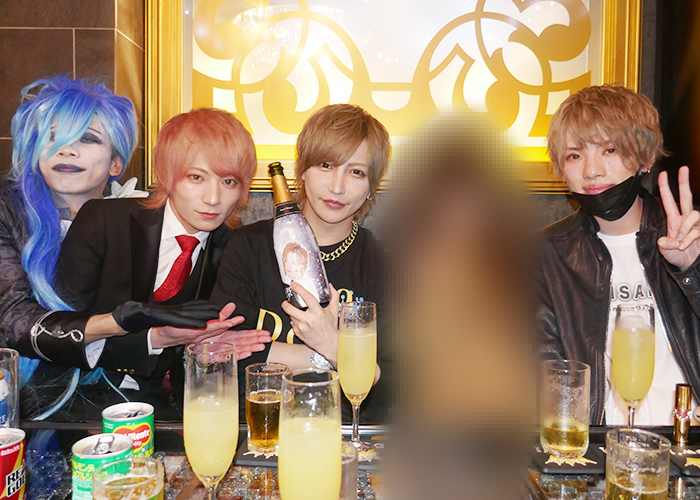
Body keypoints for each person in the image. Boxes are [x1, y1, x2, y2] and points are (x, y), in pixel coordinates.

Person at [57, 107, 271, 418]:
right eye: (196, 177)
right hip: (73, 400)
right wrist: (154, 339)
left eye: (228, 181)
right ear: (166, 176)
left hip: (167, 412)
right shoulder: (104, 221)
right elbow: (60, 332)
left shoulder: (237, 249)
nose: (213, 198)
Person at [384, 111, 535, 500]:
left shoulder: (515, 260)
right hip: (436, 444)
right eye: (448, 198)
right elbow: (415, 362)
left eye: (472, 197)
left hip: (507, 443)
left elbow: (514, 370)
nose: (461, 210)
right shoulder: (414, 262)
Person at [210, 104, 391, 423]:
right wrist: (332, 357)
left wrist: (329, 343)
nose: (337, 187)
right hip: (259, 430)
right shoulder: (249, 246)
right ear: (302, 171)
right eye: (326, 165)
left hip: (341, 434)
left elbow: (390, 387)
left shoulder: (382, 264)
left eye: (356, 172)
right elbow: (222, 359)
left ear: (370, 189)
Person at [539, 84, 700, 425]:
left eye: (609, 150)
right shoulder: (545, 255)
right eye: (575, 155)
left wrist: (692, 271)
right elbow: (544, 374)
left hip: (688, 441)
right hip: (598, 442)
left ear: (646, 158)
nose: (591, 170)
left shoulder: (691, 235)